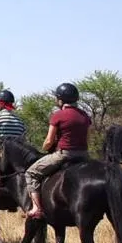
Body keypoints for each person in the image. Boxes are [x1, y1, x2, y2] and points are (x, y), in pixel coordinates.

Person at [24, 83, 92, 219]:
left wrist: (44, 148)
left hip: (64, 154)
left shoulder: (58, 115)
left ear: (61, 100)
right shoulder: (85, 116)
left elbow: (49, 141)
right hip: (84, 155)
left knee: (31, 173)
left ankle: (37, 208)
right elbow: (88, 139)